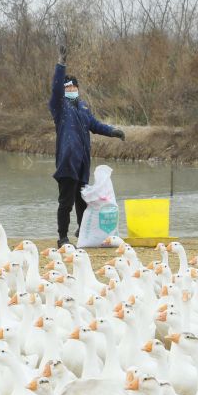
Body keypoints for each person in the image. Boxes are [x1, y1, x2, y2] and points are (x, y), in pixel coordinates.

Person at [49, 30, 125, 248]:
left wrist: (113, 131)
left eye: (73, 86)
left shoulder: (83, 107)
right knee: (66, 203)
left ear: (78, 89)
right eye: (67, 87)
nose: (71, 89)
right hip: (67, 162)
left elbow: (95, 125)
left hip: (82, 163)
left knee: (83, 201)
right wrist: (60, 64)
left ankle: (83, 234)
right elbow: (55, 89)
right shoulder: (60, 108)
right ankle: (62, 237)